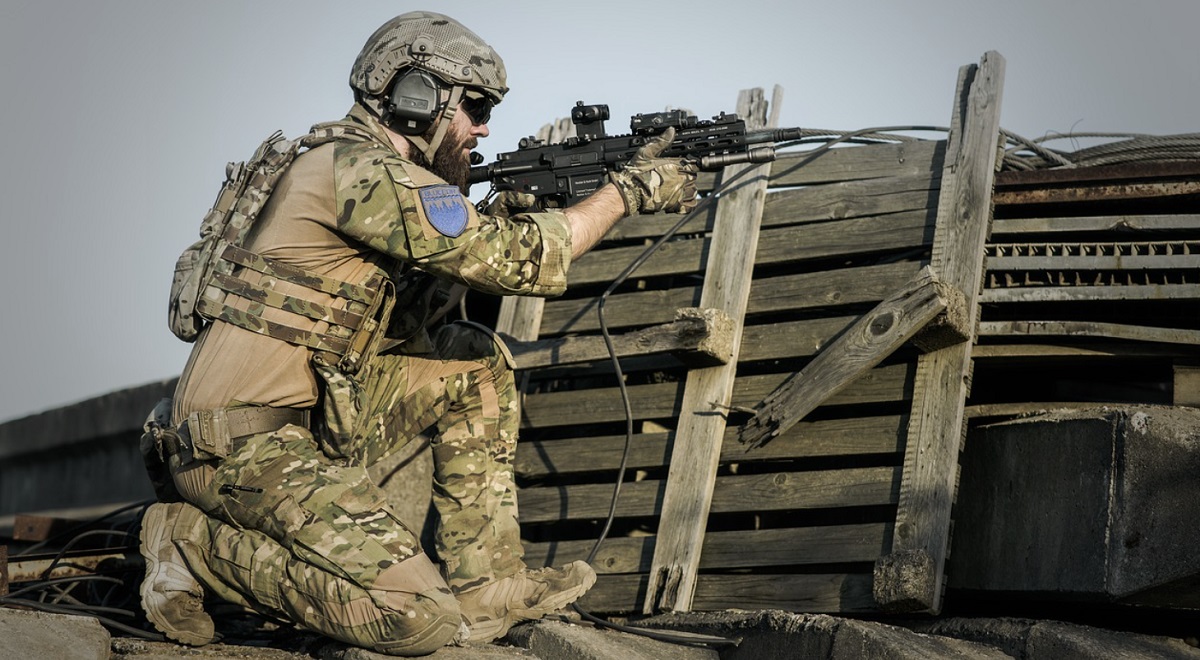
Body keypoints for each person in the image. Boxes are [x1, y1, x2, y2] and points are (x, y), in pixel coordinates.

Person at [136, 10, 698, 657]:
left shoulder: (358, 169)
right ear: (417, 97)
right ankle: (189, 542)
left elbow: (405, 324)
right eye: (476, 107)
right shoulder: (356, 170)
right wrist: (627, 193)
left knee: (472, 362)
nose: (484, 127)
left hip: (300, 425)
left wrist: (498, 210)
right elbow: (516, 260)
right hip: (237, 446)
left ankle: (485, 586)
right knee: (417, 618)